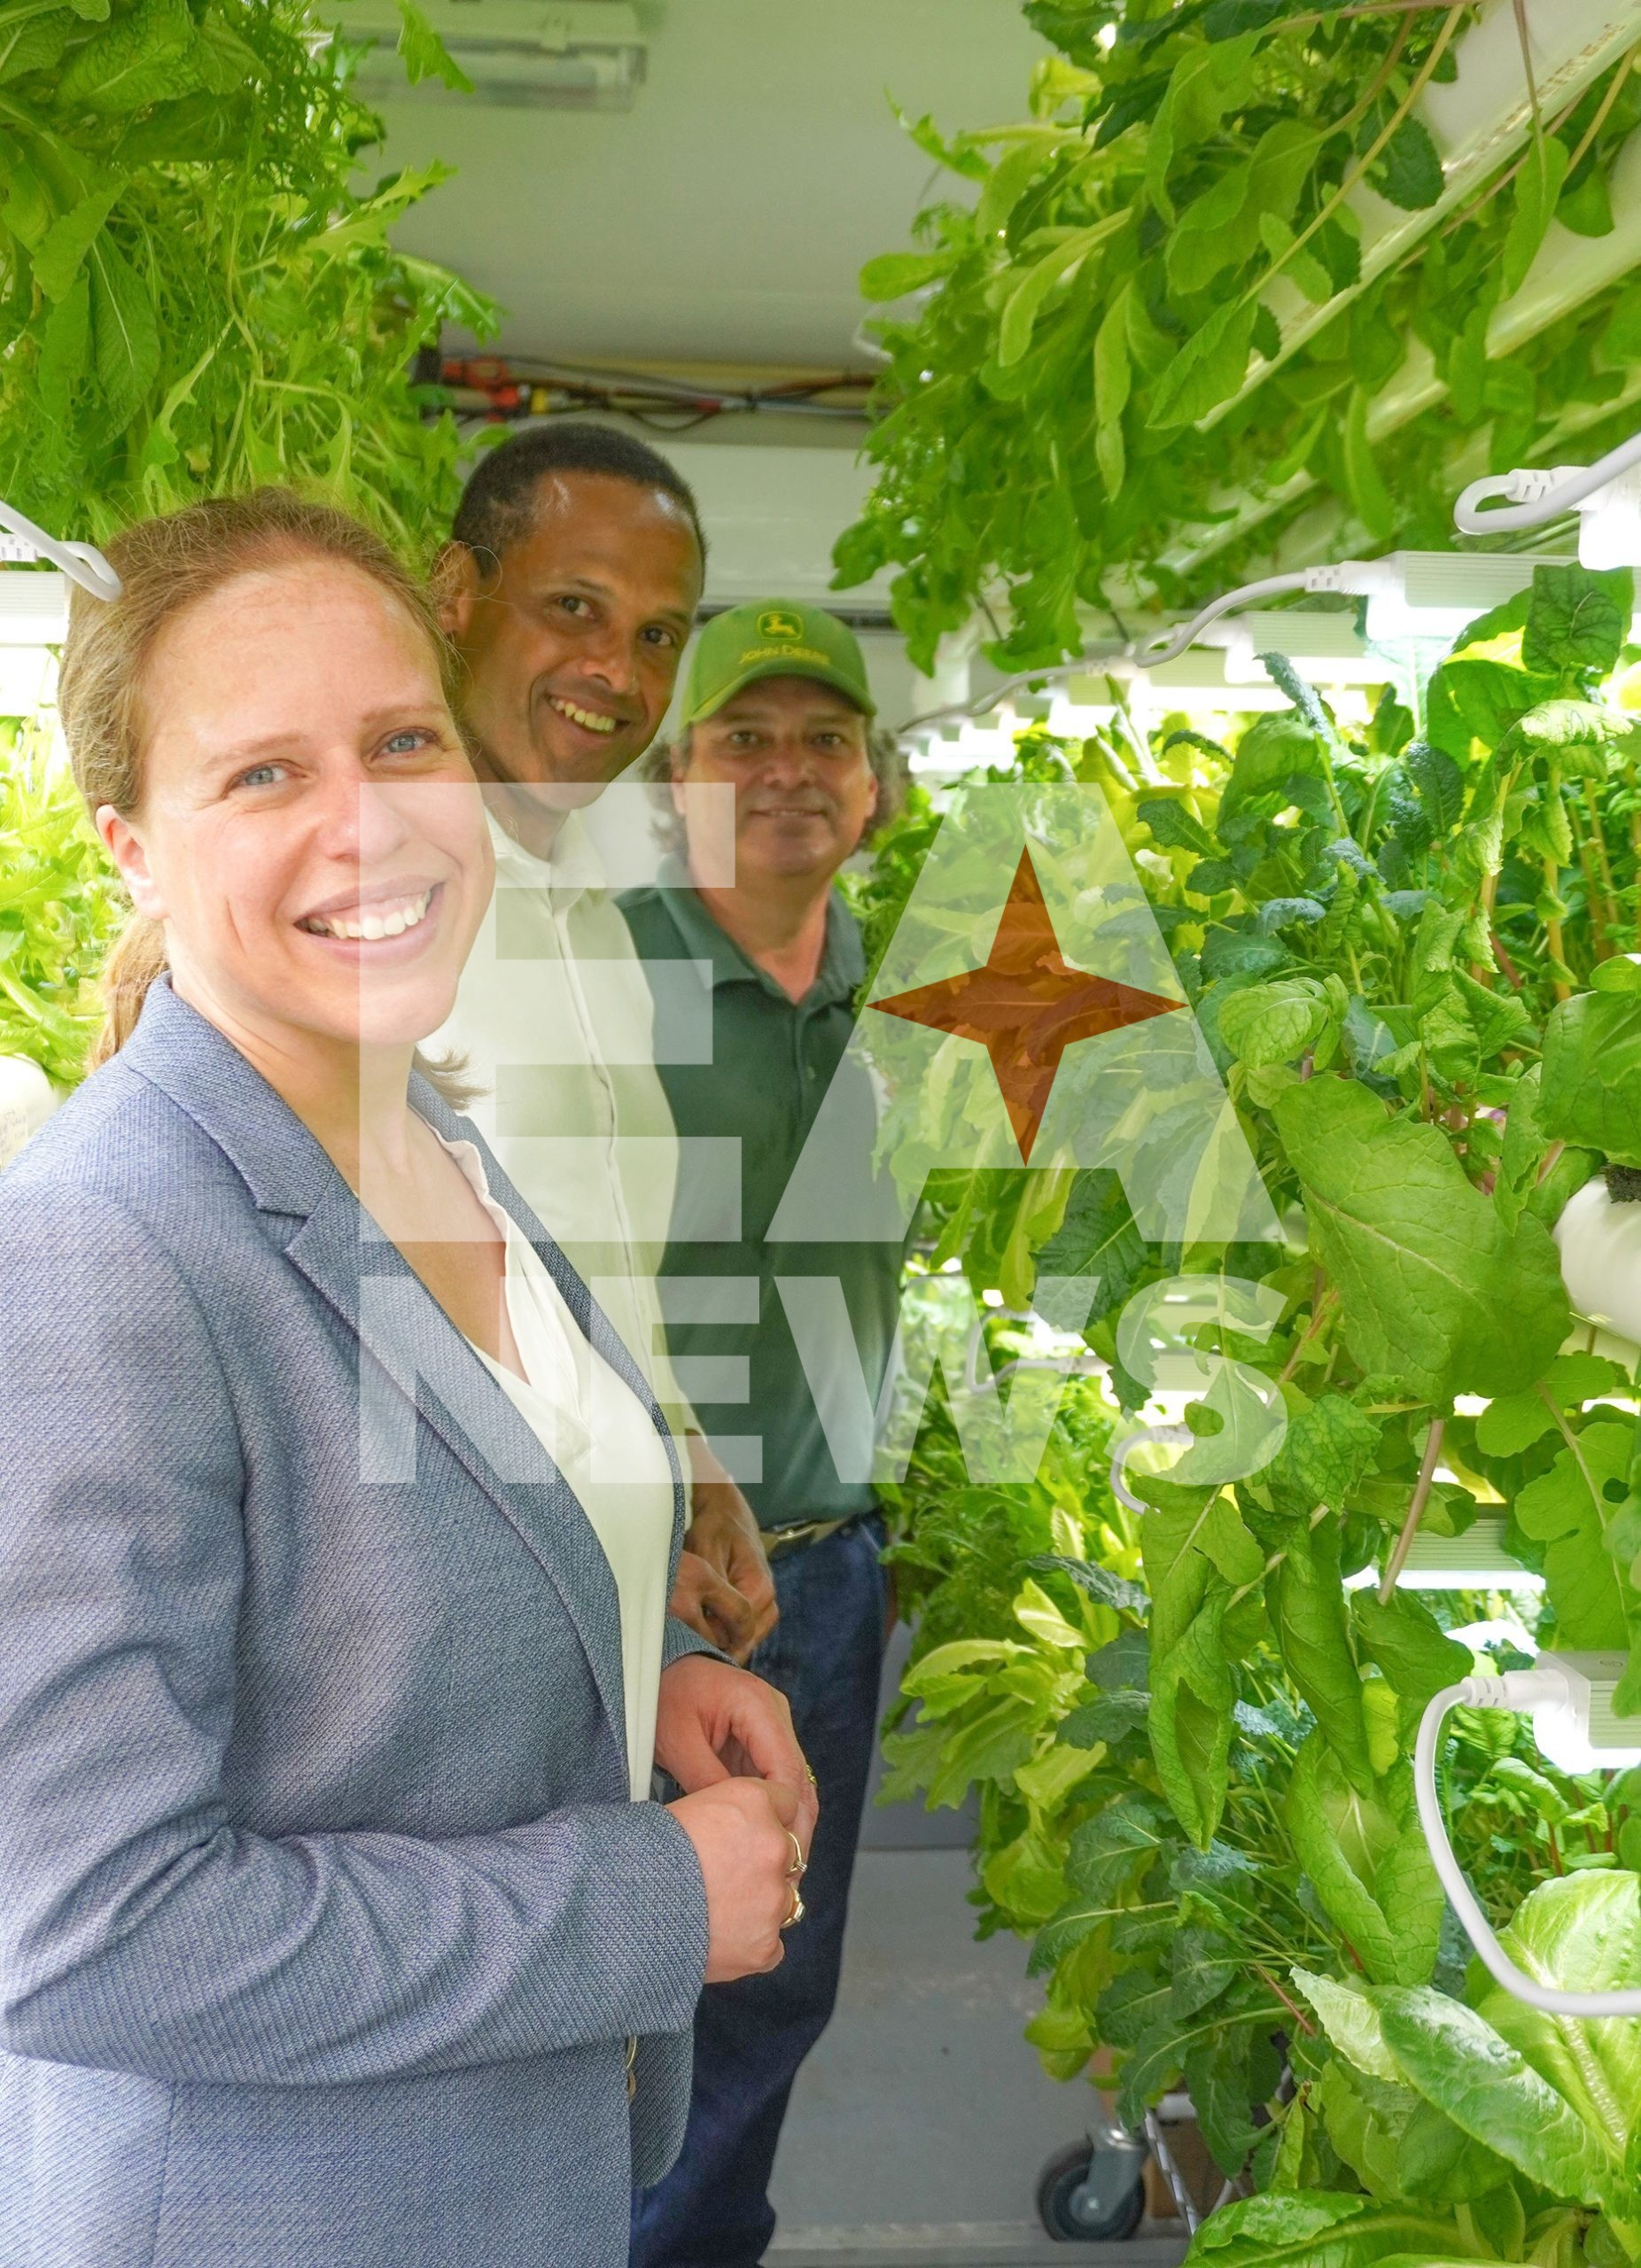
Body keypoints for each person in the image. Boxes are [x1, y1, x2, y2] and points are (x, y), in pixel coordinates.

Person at [0, 492, 815, 2268]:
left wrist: (637, 1668)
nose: (368, 823)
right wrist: (642, 1898)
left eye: (400, 739)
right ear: (131, 843)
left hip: (512, 2176)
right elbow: (83, 1928)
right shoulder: (102, 1248)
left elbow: (425, 1570)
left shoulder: (410, 1118)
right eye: (264, 775)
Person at [620, 601, 907, 2268]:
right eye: (748, 738)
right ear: (680, 778)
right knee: (610, 1991)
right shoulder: (603, 978)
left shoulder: (937, 995)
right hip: (624, 1580)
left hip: (830, 1572)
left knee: (771, 1990)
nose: (789, 772)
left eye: (825, 739)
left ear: (871, 785)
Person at [432, 423, 777, 1665]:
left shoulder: (607, 928)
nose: (616, 672)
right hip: (461, 1621)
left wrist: (687, 1464)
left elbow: (603, 1262)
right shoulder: (375, 912)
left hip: (613, 1618)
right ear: (457, 598)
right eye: (573, 606)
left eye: (657, 635)